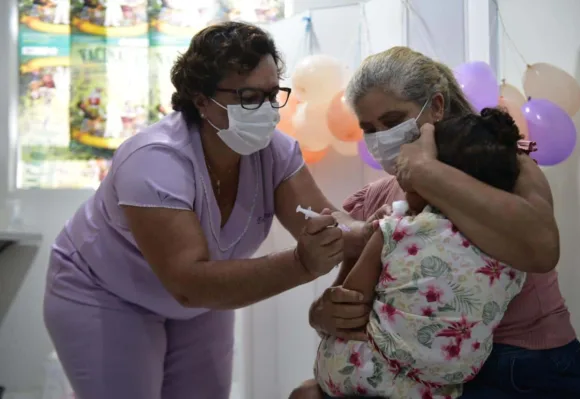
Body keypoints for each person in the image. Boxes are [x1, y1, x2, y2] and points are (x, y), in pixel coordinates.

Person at [43, 22, 374, 399]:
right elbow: (189, 283)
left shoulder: (275, 152)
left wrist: (385, 231)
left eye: (272, 95)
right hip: (105, 292)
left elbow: (328, 222)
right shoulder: (154, 160)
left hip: (199, 305)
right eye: (250, 96)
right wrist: (302, 264)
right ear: (201, 100)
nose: (266, 111)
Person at [299, 47, 580, 398]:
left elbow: (542, 249)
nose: (382, 137)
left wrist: (427, 172)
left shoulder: (503, 166)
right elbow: (348, 298)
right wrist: (321, 313)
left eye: (394, 121)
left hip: (525, 367)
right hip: (419, 373)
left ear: (437, 107)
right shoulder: (376, 200)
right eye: (370, 128)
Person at [301, 109, 528, 399]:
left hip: (359, 373)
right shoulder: (512, 248)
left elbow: (351, 304)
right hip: (434, 390)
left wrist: (376, 235)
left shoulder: (397, 230)